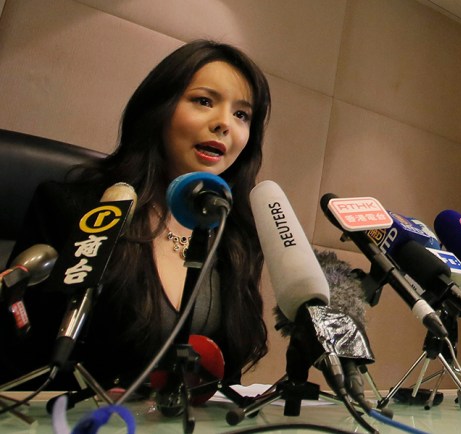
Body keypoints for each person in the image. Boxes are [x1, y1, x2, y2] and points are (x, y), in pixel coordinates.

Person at [0, 40, 272, 391]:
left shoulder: (235, 237)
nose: (224, 124)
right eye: (204, 101)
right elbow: (19, 364)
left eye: (242, 115)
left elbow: (224, 378)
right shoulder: (74, 210)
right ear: (159, 108)